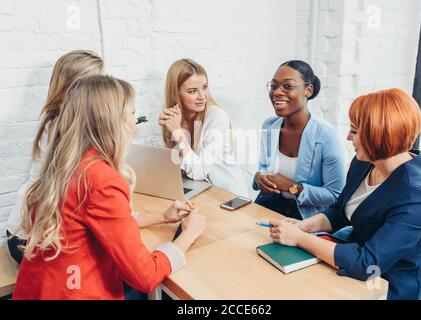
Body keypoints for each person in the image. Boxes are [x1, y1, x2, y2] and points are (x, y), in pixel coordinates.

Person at [13, 75, 206, 300]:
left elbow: (92, 227)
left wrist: (162, 217)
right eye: (133, 112)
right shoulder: (103, 180)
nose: (136, 121)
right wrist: (189, 234)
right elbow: (145, 275)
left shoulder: (66, 162)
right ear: (112, 121)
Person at [267, 88, 421, 300]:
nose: (348, 137)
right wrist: (303, 226)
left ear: (378, 135)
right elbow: (339, 211)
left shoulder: (417, 195)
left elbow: (368, 262)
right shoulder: (364, 162)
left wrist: (300, 238)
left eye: (355, 131)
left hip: (390, 284)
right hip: (354, 261)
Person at [6, 50, 104, 264]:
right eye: (97, 84)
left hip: (35, 231)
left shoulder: (60, 121)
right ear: (77, 88)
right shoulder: (62, 128)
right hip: (30, 240)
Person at [253, 60, 346, 220]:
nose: (277, 92)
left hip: (305, 218)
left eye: (287, 86)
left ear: (308, 90)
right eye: (274, 86)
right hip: (268, 206)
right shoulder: (269, 126)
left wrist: (292, 187)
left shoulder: (326, 136)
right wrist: (258, 178)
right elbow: (265, 170)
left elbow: (335, 195)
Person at [158, 58, 249, 197]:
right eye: (193, 91)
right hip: (203, 193)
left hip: (229, 197)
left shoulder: (217, 117)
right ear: (176, 93)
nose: (202, 96)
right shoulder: (175, 118)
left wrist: (177, 134)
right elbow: (176, 167)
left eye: (205, 87)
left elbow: (199, 173)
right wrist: (173, 130)